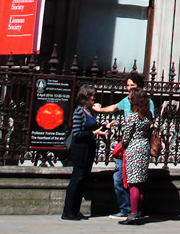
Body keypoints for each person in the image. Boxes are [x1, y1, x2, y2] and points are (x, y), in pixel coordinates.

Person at [91, 74, 147, 218]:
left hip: (131, 148)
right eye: (128, 86)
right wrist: (100, 110)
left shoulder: (140, 110)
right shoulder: (127, 102)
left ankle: (131, 212)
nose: (129, 90)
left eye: (132, 87)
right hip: (139, 147)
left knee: (133, 182)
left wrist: (125, 144)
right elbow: (114, 108)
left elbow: (131, 132)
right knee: (128, 180)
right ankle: (132, 211)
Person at [113, 90, 155, 225]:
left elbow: (126, 136)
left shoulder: (133, 116)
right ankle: (138, 213)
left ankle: (133, 215)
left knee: (133, 183)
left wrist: (123, 145)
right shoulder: (148, 116)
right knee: (140, 182)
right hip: (144, 147)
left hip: (134, 149)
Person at [62, 88, 101, 221]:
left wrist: (105, 127)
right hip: (80, 149)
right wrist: (93, 134)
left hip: (89, 148)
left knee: (84, 179)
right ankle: (67, 211)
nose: (94, 99)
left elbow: (94, 127)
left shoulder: (89, 112)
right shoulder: (79, 112)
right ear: (86, 97)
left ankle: (75, 209)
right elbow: (77, 133)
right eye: (92, 97)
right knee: (77, 178)